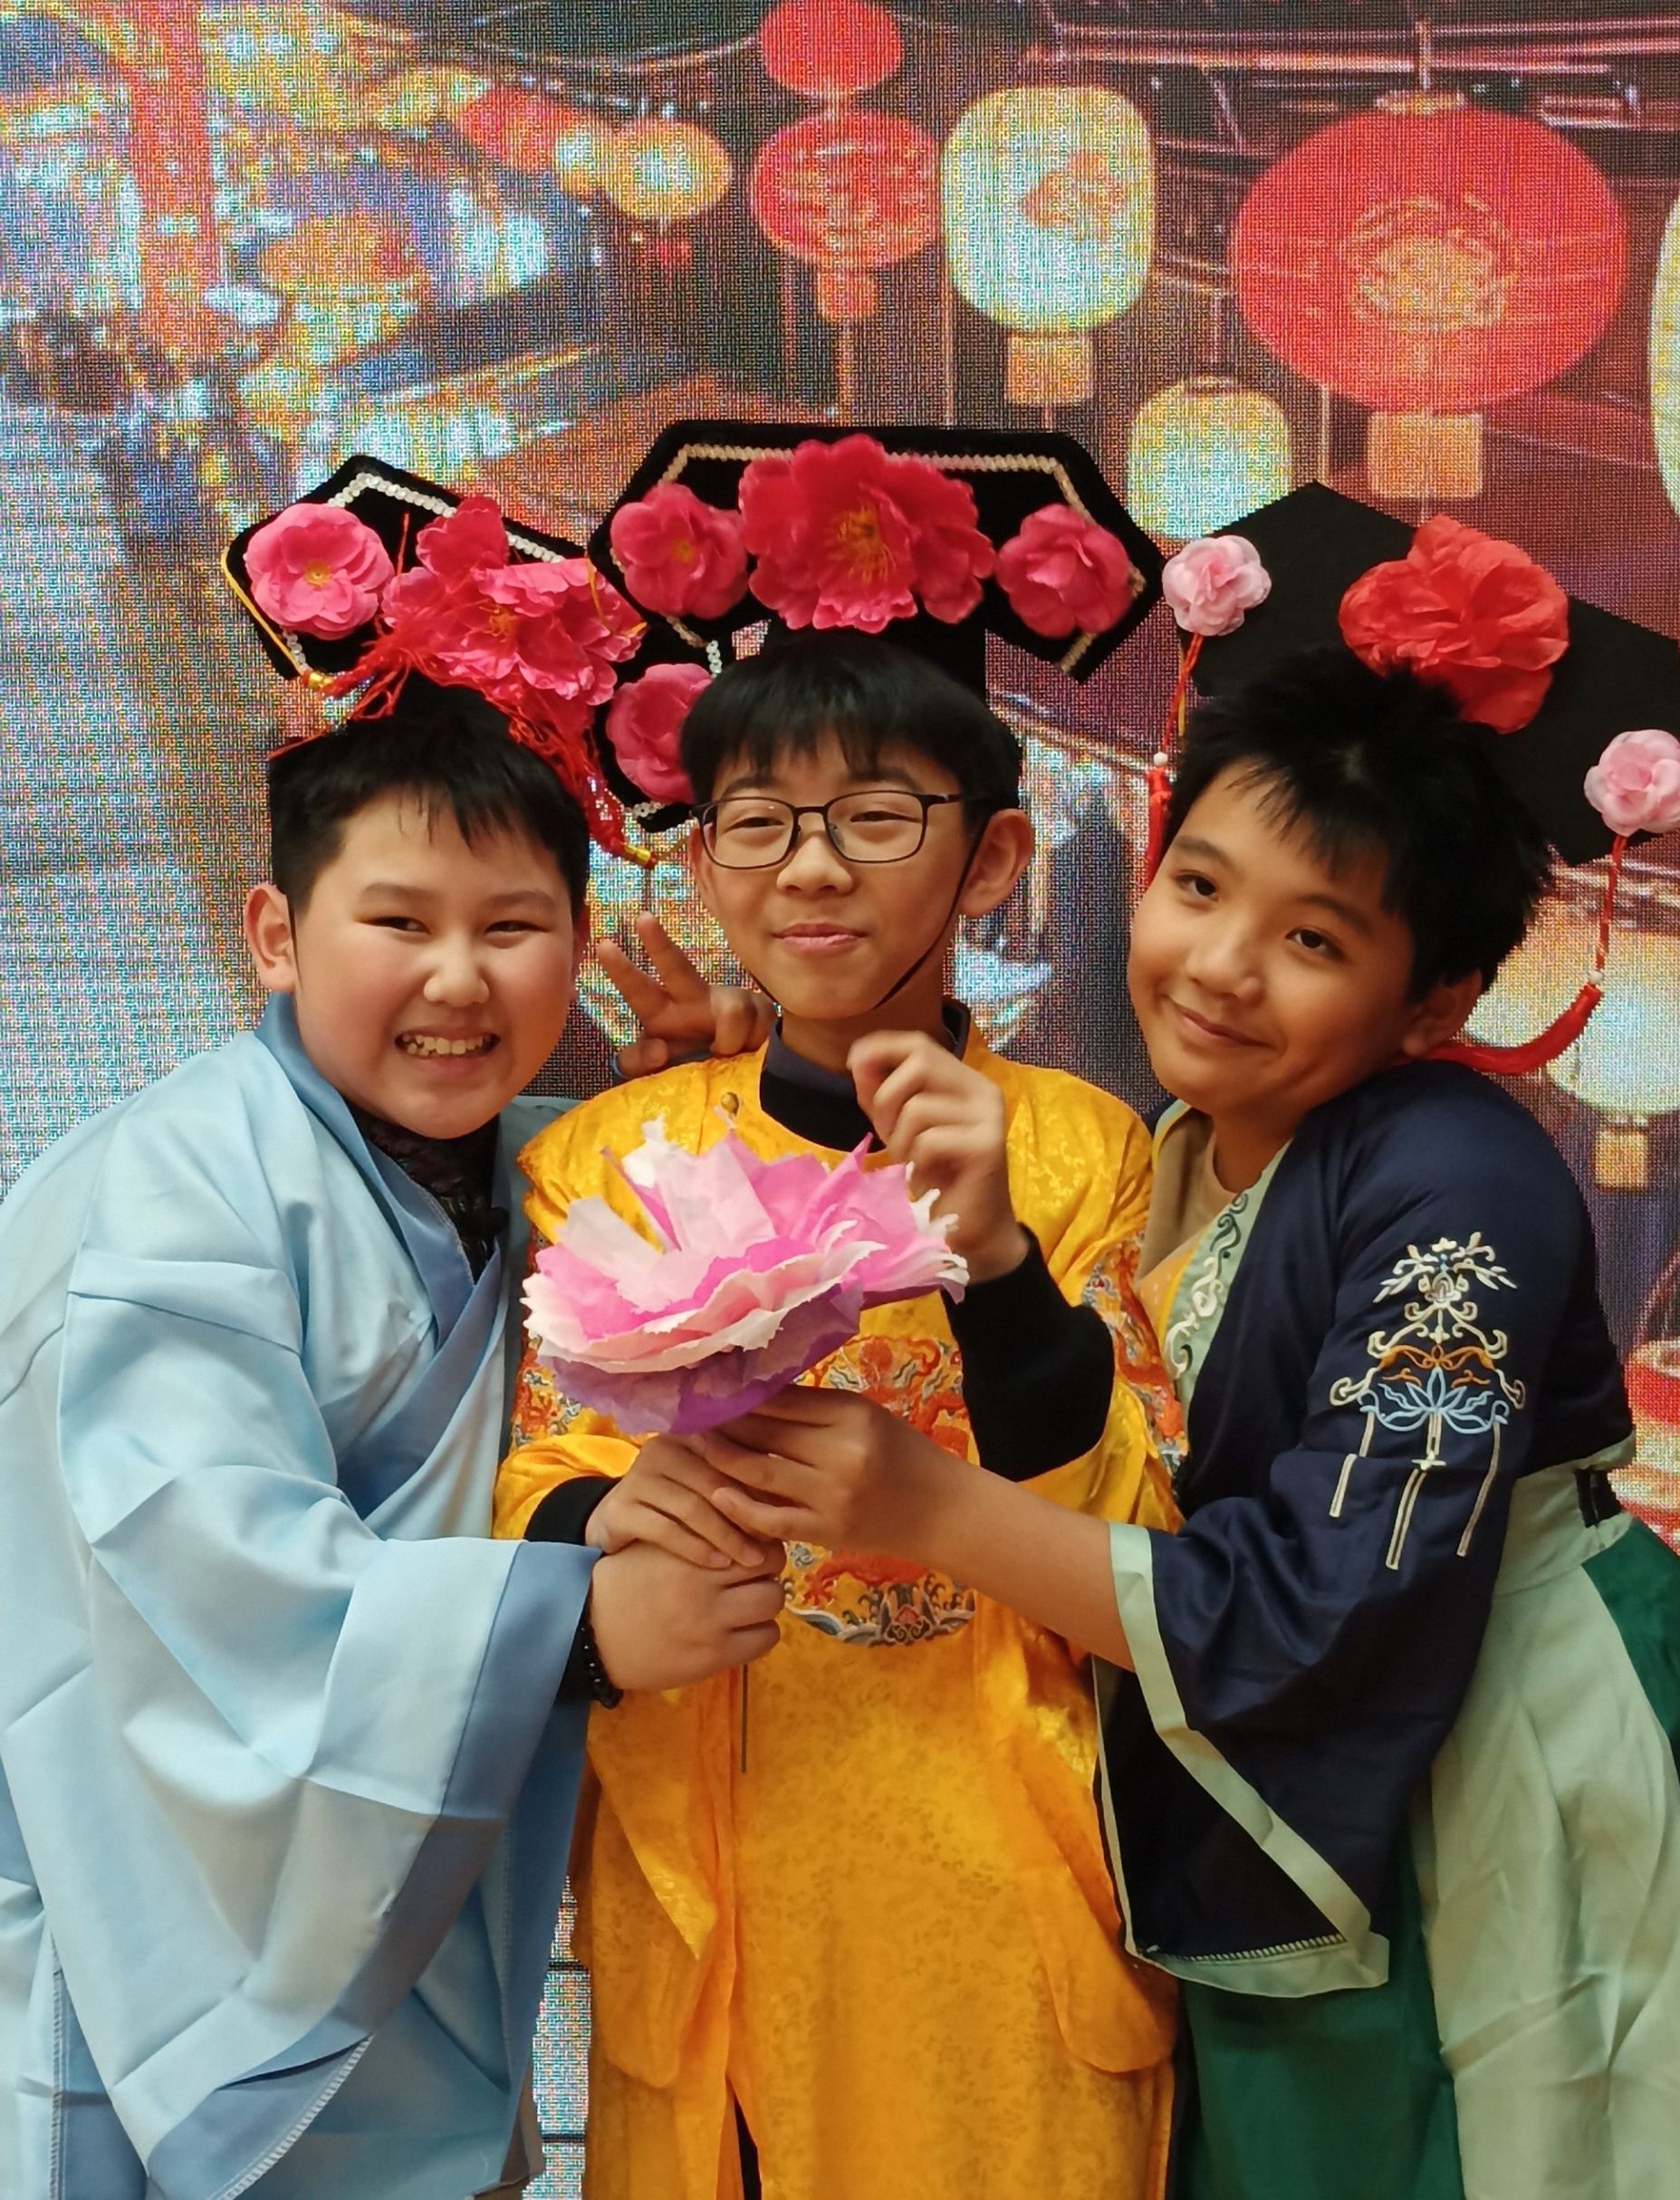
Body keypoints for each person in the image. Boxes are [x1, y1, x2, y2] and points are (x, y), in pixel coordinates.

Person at [702, 486, 1680, 2200]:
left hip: (1499, 1727)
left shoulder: (1462, 1183)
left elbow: (1334, 1597)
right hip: (1308, 1730)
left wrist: (931, 1510)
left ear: (1435, 1002)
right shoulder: (1192, 1137)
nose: (1222, 966)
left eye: (1315, 938)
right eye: (1199, 885)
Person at [0, 456, 784, 2200]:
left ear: (578, 940)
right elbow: (204, 1589)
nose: (457, 978)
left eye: (513, 926)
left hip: (403, 1918)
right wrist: (576, 1629)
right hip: (163, 1944)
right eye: (399, 921)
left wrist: (680, 1126)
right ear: (274, 933)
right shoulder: (165, 1194)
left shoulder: (541, 1166)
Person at [494, 423, 1178, 2200]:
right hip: (712, 1867)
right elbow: (536, 1475)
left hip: (995, 1895)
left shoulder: (1085, 1151)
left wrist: (1000, 1261)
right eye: (760, 824)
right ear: (702, 866)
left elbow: (1140, 1530)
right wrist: (611, 1527)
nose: (811, 870)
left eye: (877, 818)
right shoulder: (611, 1155)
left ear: (995, 858)